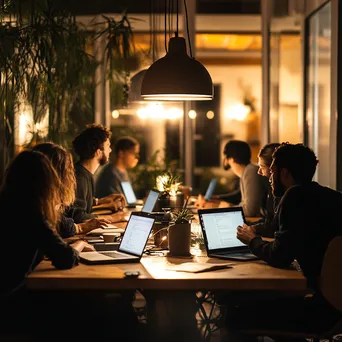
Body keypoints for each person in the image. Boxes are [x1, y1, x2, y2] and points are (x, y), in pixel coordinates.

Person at [230, 143, 342, 341]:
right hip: (334, 303)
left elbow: (279, 255)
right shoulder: (327, 195)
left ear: (284, 173)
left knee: (235, 314)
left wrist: (252, 240)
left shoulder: (294, 196)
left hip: (323, 311)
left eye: (271, 171)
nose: (268, 178)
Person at [32, 142, 110, 238]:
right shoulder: (37, 206)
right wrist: (80, 231)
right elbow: (67, 219)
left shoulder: (27, 199)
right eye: (67, 170)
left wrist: (100, 202)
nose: (71, 175)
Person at [198, 140, 269, 217]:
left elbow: (250, 211)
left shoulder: (250, 171)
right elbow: (238, 197)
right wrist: (215, 200)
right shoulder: (247, 171)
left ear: (231, 159)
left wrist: (226, 208)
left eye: (225, 156)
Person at [72, 124, 127, 223]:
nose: (110, 150)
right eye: (108, 146)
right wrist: (112, 218)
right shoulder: (80, 177)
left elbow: (81, 202)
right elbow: (79, 217)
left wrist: (101, 201)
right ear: (98, 152)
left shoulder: (84, 173)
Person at [251, 142, 281, 237]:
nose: (259, 172)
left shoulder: (284, 195)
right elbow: (269, 219)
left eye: (262, 167)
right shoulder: (271, 186)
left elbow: (272, 227)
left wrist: (251, 231)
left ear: (274, 168)